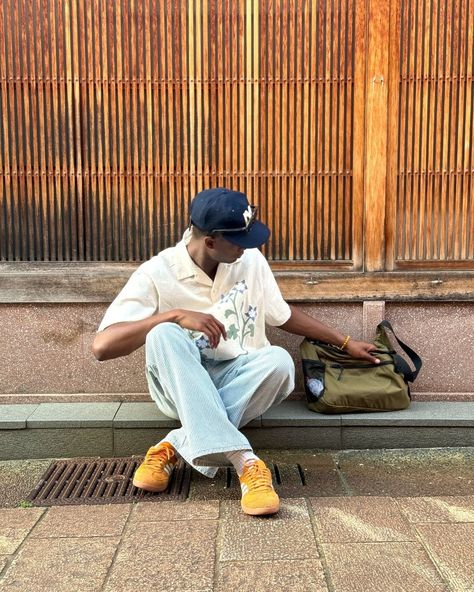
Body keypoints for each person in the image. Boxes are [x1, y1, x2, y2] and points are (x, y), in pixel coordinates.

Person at [93, 187, 379, 516]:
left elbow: (282, 315)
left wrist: (344, 342)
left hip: (234, 376)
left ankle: (174, 446)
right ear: (211, 242)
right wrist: (172, 315)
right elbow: (102, 347)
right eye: (240, 240)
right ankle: (245, 461)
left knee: (279, 362)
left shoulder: (250, 261)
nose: (250, 247)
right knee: (163, 334)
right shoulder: (157, 274)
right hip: (179, 384)